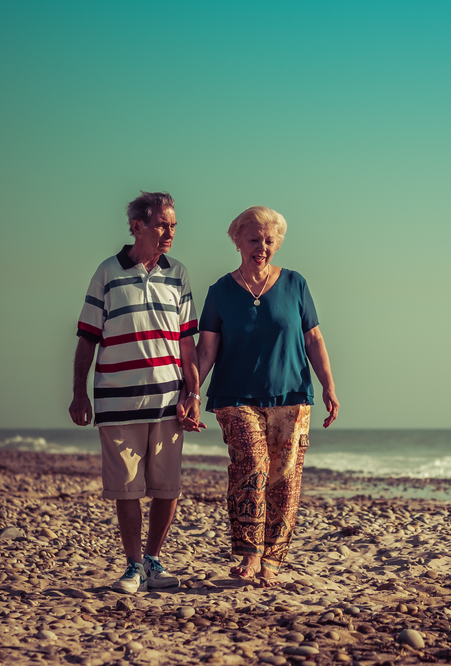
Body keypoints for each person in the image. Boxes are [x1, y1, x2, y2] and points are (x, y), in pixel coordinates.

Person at [196, 206, 339, 588]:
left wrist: (328, 385)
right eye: (254, 239)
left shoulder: (295, 284)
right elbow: (206, 350)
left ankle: (272, 559)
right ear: (237, 241)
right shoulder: (220, 292)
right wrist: (190, 393)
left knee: (285, 479)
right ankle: (249, 552)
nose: (262, 247)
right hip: (234, 395)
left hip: (292, 394)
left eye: (269, 240)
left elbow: (313, 338)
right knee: (252, 465)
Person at [69, 191, 204, 594]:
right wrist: (79, 393)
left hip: (168, 402)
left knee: (167, 487)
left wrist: (193, 395)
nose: (170, 232)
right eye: (162, 224)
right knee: (125, 487)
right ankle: (132, 566)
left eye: (173, 225)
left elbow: (187, 342)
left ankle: (152, 561)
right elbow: (87, 337)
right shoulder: (107, 273)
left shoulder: (178, 274)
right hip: (117, 400)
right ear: (137, 226)